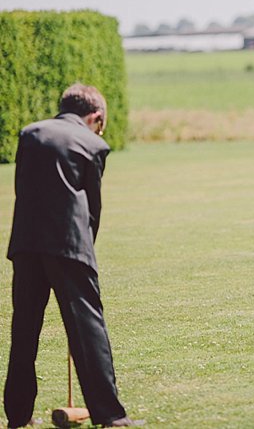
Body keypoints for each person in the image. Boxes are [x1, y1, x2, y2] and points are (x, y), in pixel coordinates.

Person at [4, 84, 141, 428]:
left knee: (24, 332)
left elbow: (23, 188)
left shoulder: (30, 134)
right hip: (69, 246)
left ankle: (17, 416)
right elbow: (92, 208)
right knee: (88, 330)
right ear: (95, 117)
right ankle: (111, 416)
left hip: (25, 244)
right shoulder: (93, 144)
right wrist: (87, 248)